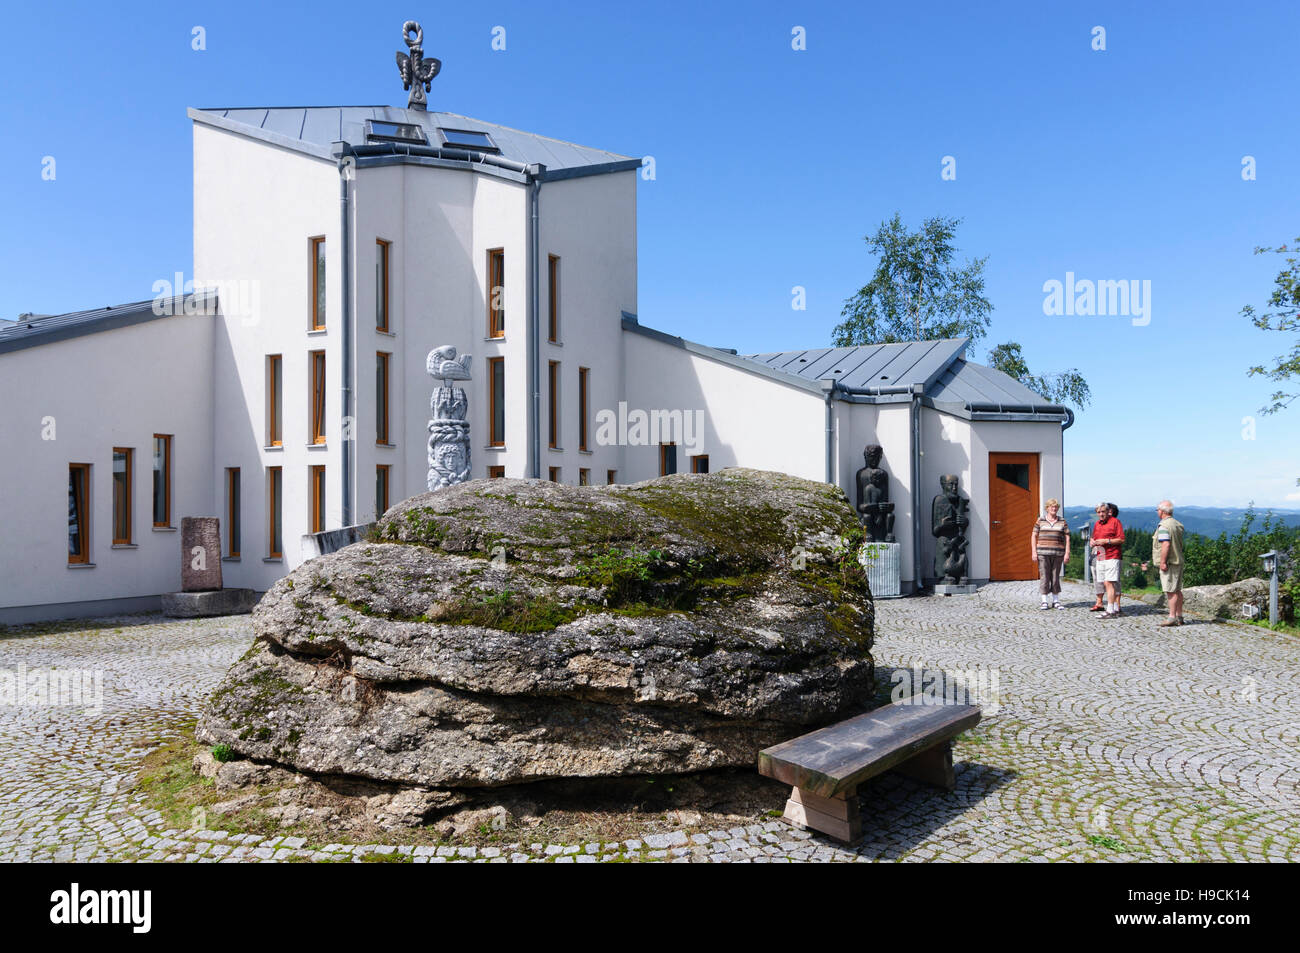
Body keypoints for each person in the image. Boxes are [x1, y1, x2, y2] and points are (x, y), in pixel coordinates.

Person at [1143, 500, 1185, 627]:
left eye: (1158, 510)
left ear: (1162, 511)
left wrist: (1162, 562)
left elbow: (1165, 544)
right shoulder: (1177, 524)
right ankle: (1179, 616)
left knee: (1170, 591)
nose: (1157, 512)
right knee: (1177, 590)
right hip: (1178, 561)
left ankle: (1172, 617)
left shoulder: (1164, 527)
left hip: (1170, 562)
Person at [1031, 498, 1070, 609]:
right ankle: (1044, 601)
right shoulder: (1041, 520)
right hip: (1043, 553)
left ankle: (1056, 601)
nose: (1054, 509)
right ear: (1047, 508)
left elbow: (1067, 537)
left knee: (1055, 577)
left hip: (1058, 553)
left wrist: (1067, 552)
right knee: (1044, 576)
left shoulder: (1062, 521)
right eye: (1051, 507)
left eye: (1056, 507)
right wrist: (1034, 551)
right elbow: (1033, 535)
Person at [1091, 502, 1125, 618]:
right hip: (1101, 555)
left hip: (1112, 555)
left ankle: (1110, 610)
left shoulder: (1115, 522)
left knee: (1109, 582)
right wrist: (1092, 542)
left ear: (1107, 512)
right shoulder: (1097, 524)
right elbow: (1094, 537)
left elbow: (1121, 539)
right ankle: (1114, 608)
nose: (1101, 514)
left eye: (1103, 512)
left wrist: (1106, 541)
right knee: (1104, 582)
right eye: (1099, 512)